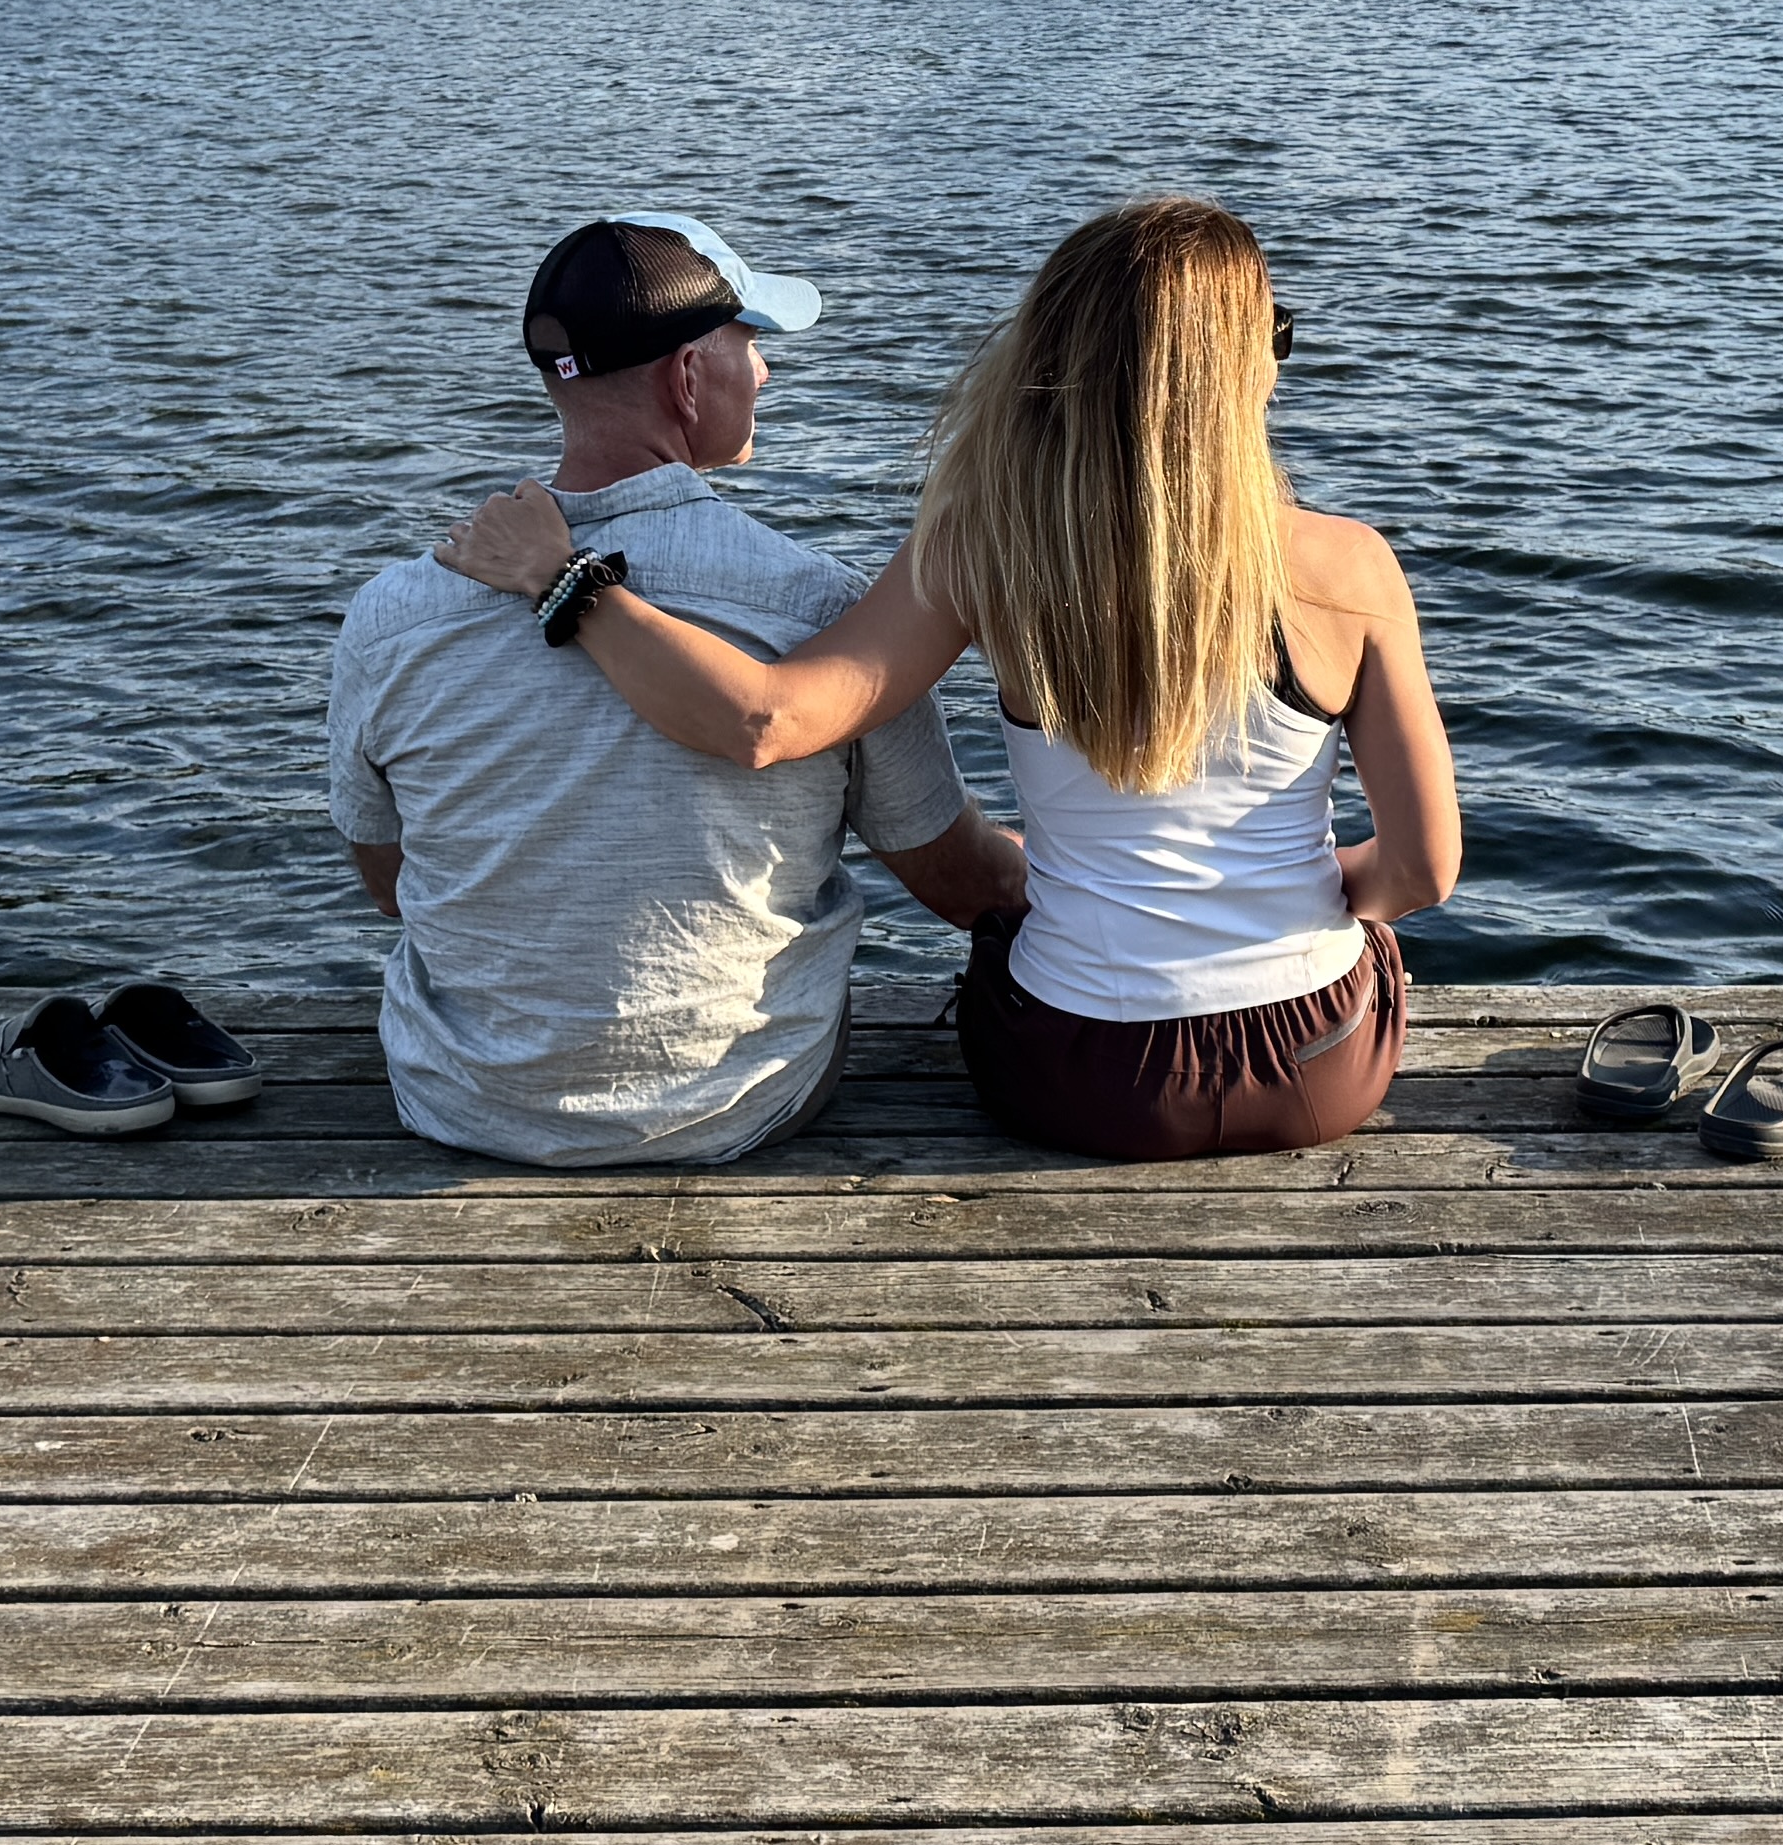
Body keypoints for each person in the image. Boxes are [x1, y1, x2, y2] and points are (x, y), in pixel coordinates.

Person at [436, 194, 1459, 1162]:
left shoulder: (989, 545)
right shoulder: (1353, 567)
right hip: (1319, 1070)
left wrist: (566, 583)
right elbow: (1423, 873)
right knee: (1361, 950)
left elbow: (763, 721)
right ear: (1239, 368)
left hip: (1075, 1075)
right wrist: (1318, 897)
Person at [328, 211, 1027, 1167]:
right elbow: (959, 884)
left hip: (465, 1099)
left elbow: (391, 885)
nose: (767, 373)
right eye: (752, 344)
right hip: (733, 1102)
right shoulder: (814, 605)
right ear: (688, 376)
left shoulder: (391, 612)